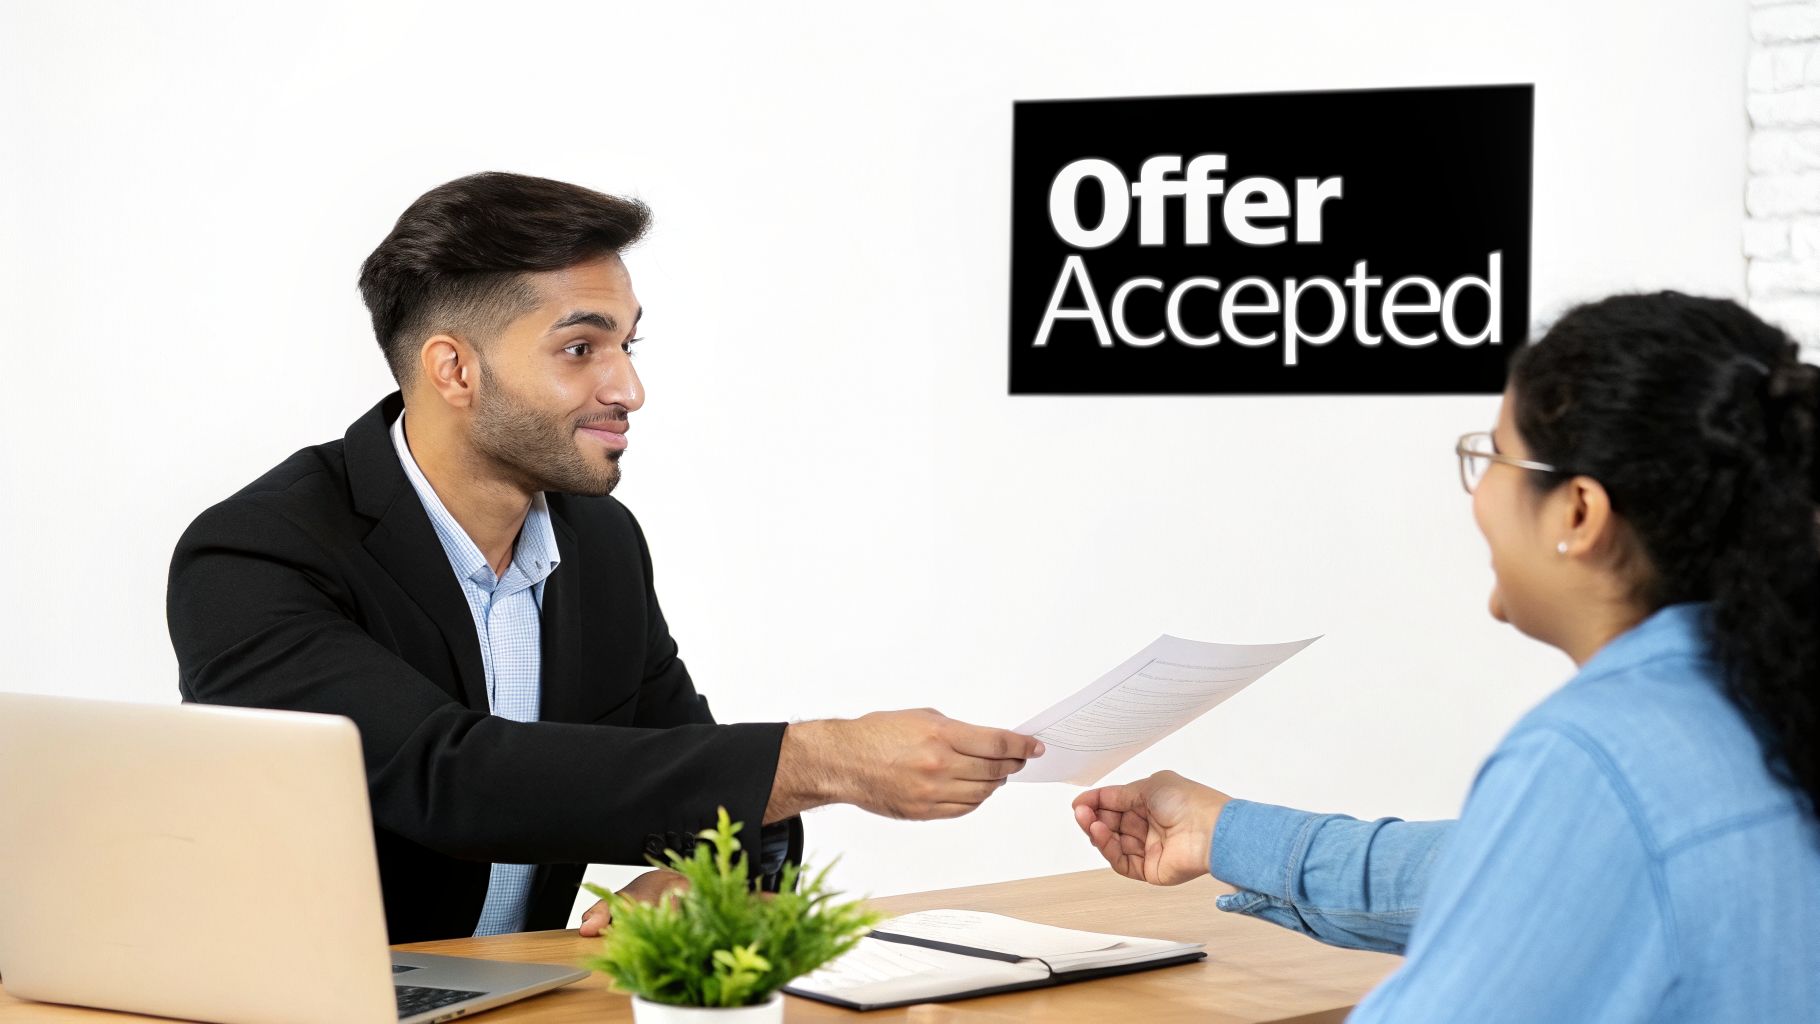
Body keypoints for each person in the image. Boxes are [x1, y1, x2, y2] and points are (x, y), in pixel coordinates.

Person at [166, 172, 1042, 944]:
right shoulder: (254, 557)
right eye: (581, 348)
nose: (628, 388)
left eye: (628, 345)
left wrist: (705, 873)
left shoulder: (598, 544)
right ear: (454, 370)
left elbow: (691, 773)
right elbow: (447, 777)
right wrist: (827, 760)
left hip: (523, 999)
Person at [1072, 293, 1820, 1020]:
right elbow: (1470, 874)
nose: (1478, 497)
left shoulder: (1594, 757)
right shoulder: (1766, 699)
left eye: (1495, 457)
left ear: (1580, 513)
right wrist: (1223, 832)